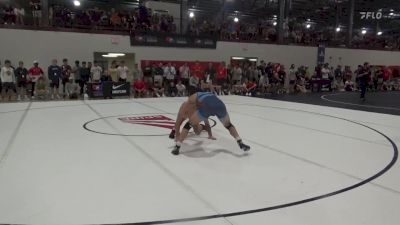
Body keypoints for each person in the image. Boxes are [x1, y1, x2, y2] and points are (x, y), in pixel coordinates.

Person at [172, 92, 251, 155]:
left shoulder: (193, 98)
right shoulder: (209, 95)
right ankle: (240, 141)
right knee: (229, 125)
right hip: (220, 105)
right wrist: (210, 134)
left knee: (188, 125)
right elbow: (205, 118)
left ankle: (177, 147)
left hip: (206, 105)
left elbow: (190, 105)